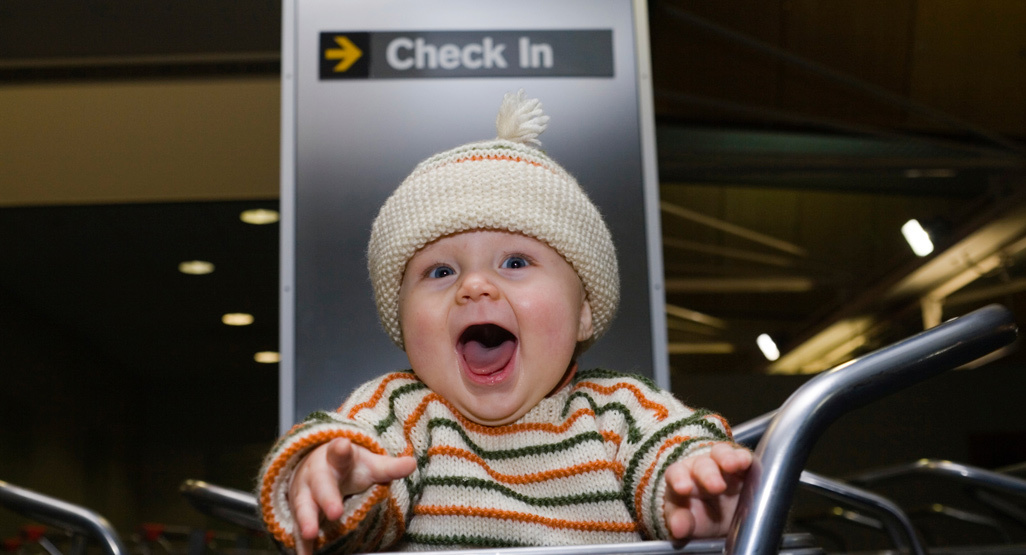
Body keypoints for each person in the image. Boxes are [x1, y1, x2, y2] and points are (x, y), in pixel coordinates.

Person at [258, 90, 752, 554]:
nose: (474, 286)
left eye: (515, 263)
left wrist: (700, 491)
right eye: (441, 271)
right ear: (403, 323)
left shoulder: (621, 412)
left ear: (582, 311)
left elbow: (676, 451)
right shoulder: (402, 415)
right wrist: (332, 484)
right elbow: (353, 477)